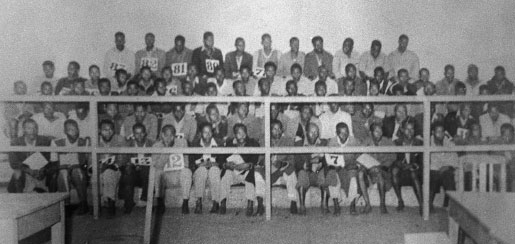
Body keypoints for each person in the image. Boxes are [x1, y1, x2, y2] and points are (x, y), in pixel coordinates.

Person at [221, 124, 263, 216]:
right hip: (234, 172)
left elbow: (254, 160)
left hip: (246, 171)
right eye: (239, 133)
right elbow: (222, 159)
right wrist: (227, 165)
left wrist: (247, 165)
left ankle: (250, 204)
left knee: (251, 174)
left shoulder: (253, 143)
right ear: (235, 134)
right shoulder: (230, 144)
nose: (242, 135)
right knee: (226, 174)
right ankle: (222, 202)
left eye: (244, 132)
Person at [50, 119, 90, 215]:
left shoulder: (84, 142)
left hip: (78, 170)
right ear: (65, 131)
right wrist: (65, 167)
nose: (74, 132)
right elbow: (54, 162)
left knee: (77, 172)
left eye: (75, 129)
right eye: (70, 130)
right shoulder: (57, 143)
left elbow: (86, 162)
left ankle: (83, 203)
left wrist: (75, 166)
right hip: (63, 170)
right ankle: (66, 205)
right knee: (63, 173)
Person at [151, 124, 192, 214]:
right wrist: (166, 150)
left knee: (187, 171)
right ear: (162, 135)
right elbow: (157, 165)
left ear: (175, 135)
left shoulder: (182, 143)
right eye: (166, 135)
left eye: (171, 135)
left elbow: (186, 163)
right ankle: (160, 202)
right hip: (165, 176)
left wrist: (179, 168)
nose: (168, 138)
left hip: (178, 174)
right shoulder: (156, 146)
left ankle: (185, 202)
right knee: (157, 172)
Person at [294, 123, 333, 215]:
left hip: (318, 171)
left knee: (325, 173)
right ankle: (302, 206)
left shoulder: (323, 143)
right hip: (306, 172)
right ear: (306, 132)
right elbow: (297, 161)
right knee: (302, 174)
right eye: (311, 132)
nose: (314, 134)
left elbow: (328, 160)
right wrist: (311, 161)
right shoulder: (299, 144)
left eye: (316, 132)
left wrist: (320, 161)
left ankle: (324, 204)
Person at [327, 122, 364, 215]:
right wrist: (335, 166)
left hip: (350, 168)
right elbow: (328, 159)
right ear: (336, 133)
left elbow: (361, 157)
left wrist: (356, 166)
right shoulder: (332, 142)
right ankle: (336, 205)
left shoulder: (354, 141)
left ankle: (352, 205)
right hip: (337, 168)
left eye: (346, 132)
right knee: (332, 174)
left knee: (353, 176)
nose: (344, 135)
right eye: (341, 133)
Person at [8, 119, 52, 193]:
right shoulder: (16, 142)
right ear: (24, 130)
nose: (33, 131)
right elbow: (14, 163)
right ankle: (19, 200)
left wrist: (43, 170)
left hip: (40, 172)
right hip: (25, 172)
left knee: (51, 173)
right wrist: (29, 171)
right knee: (17, 173)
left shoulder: (45, 141)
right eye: (29, 128)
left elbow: (49, 159)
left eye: (35, 128)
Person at [361, 123, 396, 213]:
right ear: (371, 133)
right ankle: (367, 204)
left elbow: (393, 157)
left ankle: (382, 204)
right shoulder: (366, 141)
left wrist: (381, 166)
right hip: (370, 170)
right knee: (360, 174)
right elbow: (362, 157)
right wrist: (371, 166)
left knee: (380, 175)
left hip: (383, 170)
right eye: (376, 131)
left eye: (381, 131)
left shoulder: (387, 141)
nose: (379, 133)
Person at [190, 123, 224, 214]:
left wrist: (214, 164)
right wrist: (200, 165)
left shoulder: (219, 143)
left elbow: (222, 161)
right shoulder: (195, 144)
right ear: (201, 133)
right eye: (205, 132)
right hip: (201, 169)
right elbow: (191, 162)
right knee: (201, 171)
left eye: (209, 132)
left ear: (212, 133)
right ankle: (199, 201)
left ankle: (216, 202)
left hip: (214, 168)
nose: (207, 134)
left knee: (214, 171)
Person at [98, 119, 128, 218]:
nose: (108, 132)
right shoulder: (95, 141)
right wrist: (100, 167)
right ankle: (101, 204)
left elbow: (123, 158)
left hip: (114, 170)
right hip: (98, 169)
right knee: (97, 176)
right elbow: (90, 160)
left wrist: (114, 165)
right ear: (99, 130)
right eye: (105, 130)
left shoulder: (120, 139)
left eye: (110, 129)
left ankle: (110, 205)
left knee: (108, 173)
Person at [392, 118, 423, 212]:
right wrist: (402, 165)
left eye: (412, 129)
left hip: (416, 174)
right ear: (402, 130)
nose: (410, 131)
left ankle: (422, 205)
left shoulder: (419, 143)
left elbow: (422, 162)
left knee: (413, 173)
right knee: (394, 171)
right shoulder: (397, 143)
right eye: (407, 129)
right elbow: (394, 160)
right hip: (402, 172)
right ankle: (400, 201)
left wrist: (414, 165)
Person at [269, 120, 298, 214]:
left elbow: (292, 160)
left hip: (283, 169)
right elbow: (261, 159)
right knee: (259, 172)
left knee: (291, 172)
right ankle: (261, 204)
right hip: (271, 171)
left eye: (279, 129)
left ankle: (293, 201)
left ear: (282, 130)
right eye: (274, 129)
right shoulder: (266, 140)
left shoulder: (288, 141)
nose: (277, 131)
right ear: (270, 130)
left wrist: (281, 163)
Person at [124, 123, 154, 213]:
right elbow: (126, 160)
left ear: (145, 133)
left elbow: (155, 159)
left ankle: (144, 199)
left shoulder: (151, 144)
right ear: (133, 134)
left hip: (147, 173)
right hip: (134, 173)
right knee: (128, 172)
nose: (139, 135)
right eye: (136, 133)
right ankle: (128, 203)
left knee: (146, 169)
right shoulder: (129, 145)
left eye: (141, 133)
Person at [429, 122, 458, 210]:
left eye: (442, 132)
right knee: (434, 176)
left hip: (446, 169)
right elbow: (430, 160)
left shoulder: (449, 142)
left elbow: (454, 158)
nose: (440, 134)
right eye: (438, 132)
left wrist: (447, 166)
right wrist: (438, 168)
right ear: (433, 132)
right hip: (433, 169)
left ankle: (449, 204)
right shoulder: (428, 142)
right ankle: (429, 204)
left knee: (448, 175)